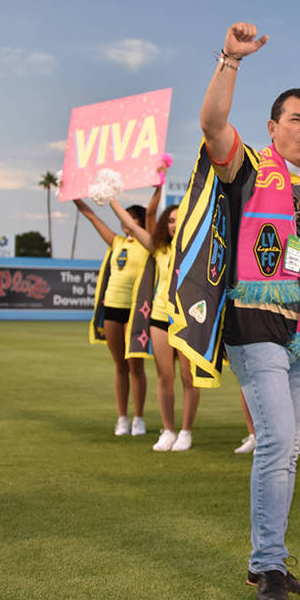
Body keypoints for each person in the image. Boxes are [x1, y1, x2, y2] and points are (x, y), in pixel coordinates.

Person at [193, 21, 300, 600]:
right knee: (278, 438)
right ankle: (267, 566)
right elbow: (212, 124)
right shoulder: (249, 167)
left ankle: (272, 562)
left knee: (287, 450)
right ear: (272, 127)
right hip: (254, 318)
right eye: (296, 120)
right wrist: (231, 60)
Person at [109, 190, 200, 452]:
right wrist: (112, 198)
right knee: (164, 377)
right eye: (170, 220)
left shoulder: (197, 248)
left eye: (178, 219)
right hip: (159, 318)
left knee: (188, 378)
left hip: (188, 320)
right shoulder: (159, 249)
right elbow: (132, 225)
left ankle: (186, 431)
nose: (174, 224)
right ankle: (168, 430)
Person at [74, 195, 150, 436]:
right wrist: (75, 196)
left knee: (135, 365)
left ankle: (138, 418)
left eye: (132, 220)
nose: (126, 225)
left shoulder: (149, 245)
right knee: (120, 366)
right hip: (113, 308)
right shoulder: (117, 243)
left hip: (136, 310)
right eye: (124, 221)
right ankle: (122, 418)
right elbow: (91, 217)